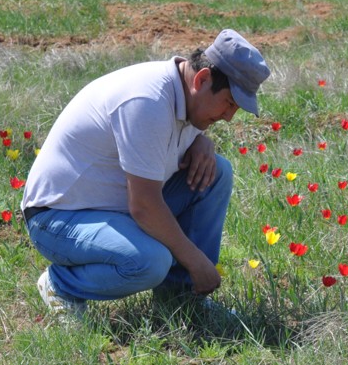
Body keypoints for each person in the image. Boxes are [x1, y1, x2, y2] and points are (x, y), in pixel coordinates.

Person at [21, 29, 270, 315]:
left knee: (217, 173)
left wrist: (202, 140)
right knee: (150, 262)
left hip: (111, 210)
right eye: (229, 103)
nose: (229, 116)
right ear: (202, 79)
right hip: (57, 219)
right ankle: (61, 285)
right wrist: (196, 261)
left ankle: (179, 298)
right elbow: (143, 205)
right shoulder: (147, 101)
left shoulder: (187, 93)